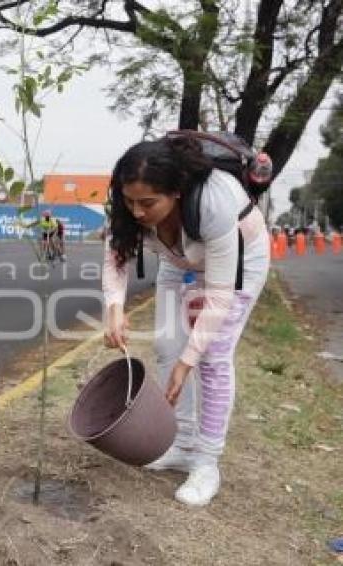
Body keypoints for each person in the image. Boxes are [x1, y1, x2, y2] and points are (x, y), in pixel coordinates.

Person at [102, 136, 270, 507]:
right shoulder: (128, 208)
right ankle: (182, 443)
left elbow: (221, 296)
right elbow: (115, 260)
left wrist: (187, 362)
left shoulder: (214, 201)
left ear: (176, 192)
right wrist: (114, 307)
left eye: (148, 203)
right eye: (130, 201)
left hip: (240, 262)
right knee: (166, 345)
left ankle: (207, 463)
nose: (138, 213)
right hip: (179, 262)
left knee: (211, 356)